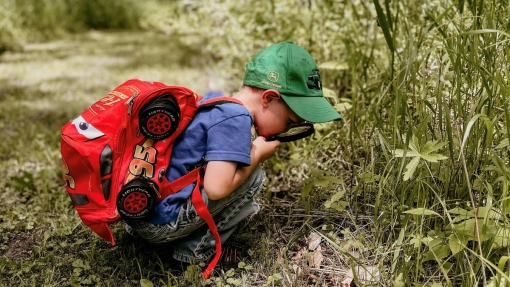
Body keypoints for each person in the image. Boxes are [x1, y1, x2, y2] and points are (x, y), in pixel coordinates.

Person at [125, 41, 342, 267]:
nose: (285, 131)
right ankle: (194, 254)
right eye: (289, 122)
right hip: (161, 224)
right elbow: (216, 188)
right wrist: (256, 154)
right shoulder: (236, 119)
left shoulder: (216, 103)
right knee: (254, 176)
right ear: (268, 98)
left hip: (141, 214)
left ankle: (142, 236)